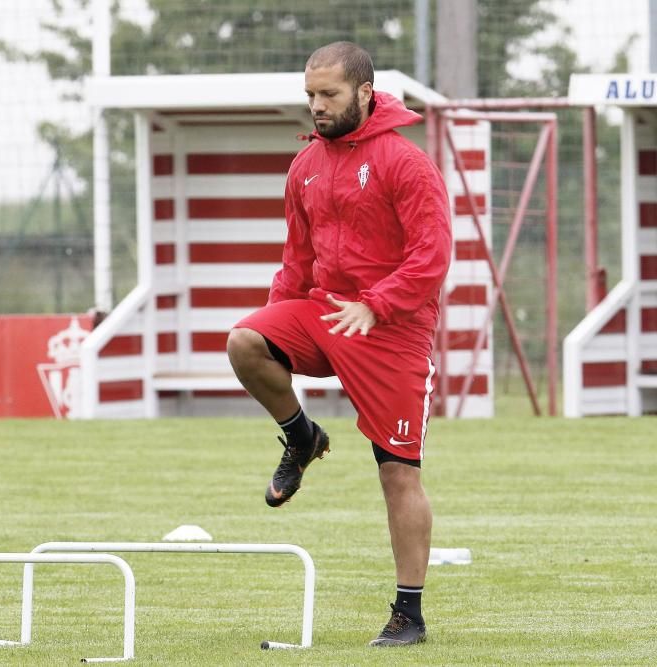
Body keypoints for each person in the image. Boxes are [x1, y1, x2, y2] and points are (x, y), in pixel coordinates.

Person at [226, 41, 451, 646]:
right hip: (328, 315)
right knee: (246, 341)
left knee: (397, 475)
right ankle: (302, 437)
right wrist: (280, 320)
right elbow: (296, 263)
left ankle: (409, 615)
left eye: (328, 95)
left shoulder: (406, 163)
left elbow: (432, 259)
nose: (317, 106)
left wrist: (376, 304)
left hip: (392, 330)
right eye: (310, 95)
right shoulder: (304, 166)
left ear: (365, 93)